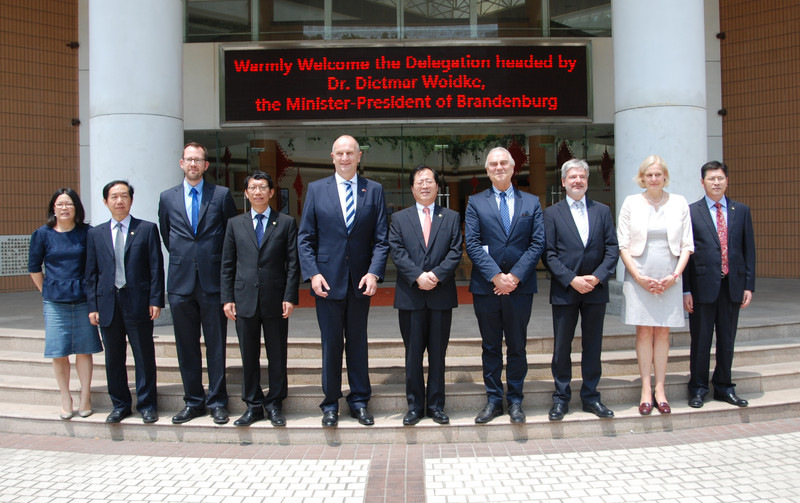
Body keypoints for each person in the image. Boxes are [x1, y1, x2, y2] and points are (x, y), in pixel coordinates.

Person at [297, 134, 389, 428]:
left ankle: (359, 401)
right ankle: (330, 404)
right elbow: (305, 238)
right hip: (326, 282)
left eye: (350, 153)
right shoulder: (316, 190)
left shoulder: (373, 190)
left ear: (359, 156)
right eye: (340, 153)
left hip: (361, 282)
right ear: (332, 157)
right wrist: (313, 274)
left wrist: (374, 272)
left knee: (358, 344)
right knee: (331, 345)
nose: (345, 158)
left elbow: (382, 239)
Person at [158, 142, 237, 425]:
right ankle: (193, 401)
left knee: (216, 345)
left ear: (206, 165)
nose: (193, 164)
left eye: (198, 160)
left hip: (213, 282)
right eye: (189, 159)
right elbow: (167, 235)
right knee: (186, 345)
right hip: (180, 284)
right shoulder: (167, 198)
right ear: (182, 163)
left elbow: (230, 236)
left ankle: (217, 402)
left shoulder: (221, 195)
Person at [465, 146, 544, 424]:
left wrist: (515, 277)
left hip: (520, 288)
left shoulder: (531, 202)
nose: (499, 167)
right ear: (487, 171)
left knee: (517, 346)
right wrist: (497, 276)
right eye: (493, 164)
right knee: (490, 346)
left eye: (503, 163)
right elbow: (472, 243)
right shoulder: (475, 202)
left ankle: (516, 401)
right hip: (486, 287)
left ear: (513, 168)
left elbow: (537, 243)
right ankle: (493, 400)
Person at [221, 171, 300, 427]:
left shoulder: (285, 222)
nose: (258, 192)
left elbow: (293, 263)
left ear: (271, 192)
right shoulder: (235, 224)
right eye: (253, 188)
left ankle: (275, 404)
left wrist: (290, 296)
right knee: (249, 355)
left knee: (277, 354)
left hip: (276, 299)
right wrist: (227, 298)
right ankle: (253, 405)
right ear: (246, 193)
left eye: (263, 187)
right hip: (244, 299)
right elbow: (227, 264)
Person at [543, 159, 619, 421]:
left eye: (582, 177)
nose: (577, 181)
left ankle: (591, 396)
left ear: (587, 180)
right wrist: (571, 279)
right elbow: (548, 254)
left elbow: (612, 248)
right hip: (565, 289)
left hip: (595, 290)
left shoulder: (602, 211)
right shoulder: (551, 213)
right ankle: (561, 398)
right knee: (562, 347)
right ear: (563, 182)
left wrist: (597, 277)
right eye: (572, 177)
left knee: (593, 345)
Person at [617, 155, 693, 415]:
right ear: (642, 178)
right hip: (639, 276)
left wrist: (675, 276)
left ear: (665, 176)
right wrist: (639, 277)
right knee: (643, 333)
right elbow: (623, 244)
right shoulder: (631, 202)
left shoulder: (679, 202)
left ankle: (661, 389)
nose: (653, 179)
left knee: (662, 333)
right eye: (648, 175)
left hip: (670, 277)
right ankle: (646, 390)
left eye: (658, 174)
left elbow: (687, 244)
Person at [389, 165, 463, 426]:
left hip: (441, 295)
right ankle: (414, 407)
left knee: (437, 354)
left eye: (429, 181)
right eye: (419, 181)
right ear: (412, 188)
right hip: (411, 296)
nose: (424, 185)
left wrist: (436, 275)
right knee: (413, 354)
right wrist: (418, 276)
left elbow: (455, 251)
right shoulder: (399, 218)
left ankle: (436, 406)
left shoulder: (451, 217)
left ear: (437, 187)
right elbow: (397, 252)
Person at [85, 181, 164, 424]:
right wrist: (93, 306)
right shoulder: (95, 234)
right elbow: (91, 273)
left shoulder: (146, 229)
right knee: (114, 358)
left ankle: (147, 405)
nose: (119, 201)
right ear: (105, 201)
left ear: (131, 200)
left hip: (139, 301)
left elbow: (156, 267)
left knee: (144, 355)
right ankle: (120, 405)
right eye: (114, 196)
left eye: (124, 196)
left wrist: (156, 300)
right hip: (108, 303)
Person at [683, 161, 756, 408]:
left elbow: (748, 250)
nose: (716, 182)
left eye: (720, 178)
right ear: (702, 182)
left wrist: (748, 285)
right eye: (711, 179)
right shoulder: (691, 212)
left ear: (727, 181)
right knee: (701, 340)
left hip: (732, 286)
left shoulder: (741, 211)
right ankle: (698, 388)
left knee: (727, 340)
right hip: (702, 287)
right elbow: (686, 254)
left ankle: (724, 387)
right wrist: (686, 289)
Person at [28, 188, 103, 420]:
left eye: (68, 204)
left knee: (84, 350)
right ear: (53, 208)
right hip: (55, 302)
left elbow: (96, 266)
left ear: (76, 208)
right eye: (59, 204)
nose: (64, 208)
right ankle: (65, 397)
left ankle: (85, 396)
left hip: (83, 299)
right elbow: (34, 267)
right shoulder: (42, 234)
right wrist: (47, 290)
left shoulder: (87, 233)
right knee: (58, 351)